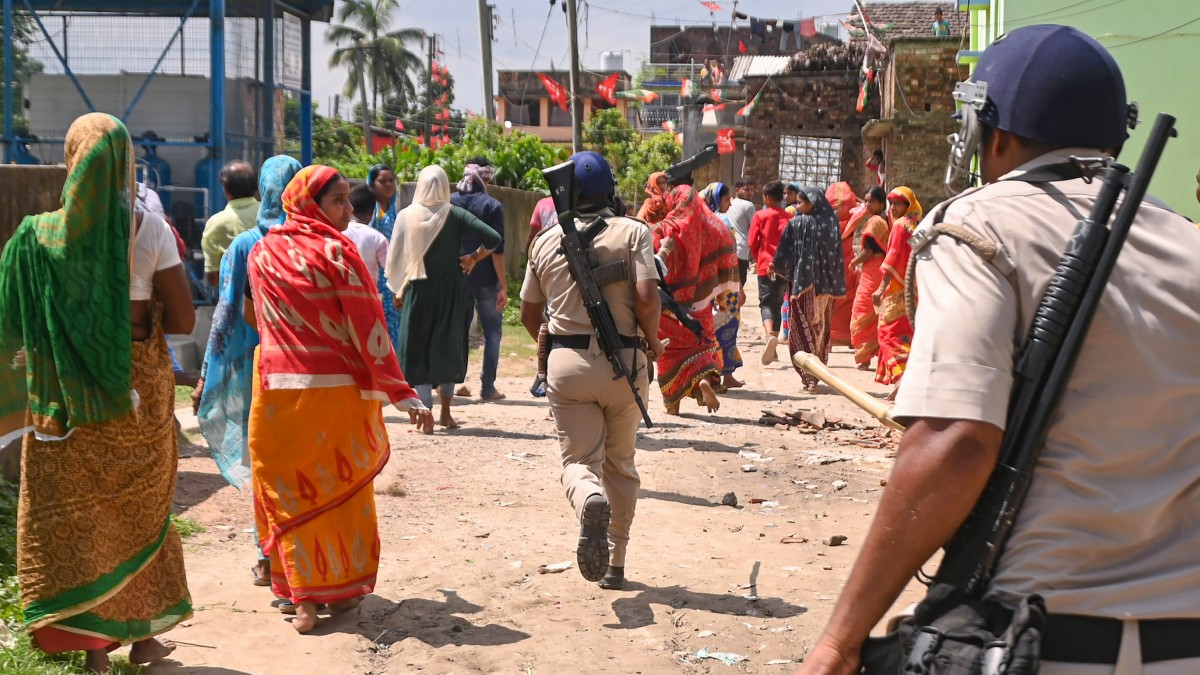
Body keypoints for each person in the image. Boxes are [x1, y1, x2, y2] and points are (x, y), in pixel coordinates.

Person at [798, 25, 1200, 675]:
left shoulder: (975, 225)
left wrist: (839, 639)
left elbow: (958, 440)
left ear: (996, 134)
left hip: (1038, 641)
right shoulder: (1187, 241)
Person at [0, 113, 194, 674]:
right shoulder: (149, 229)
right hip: (137, 396)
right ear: (126, 165)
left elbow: (15, 325)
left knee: (79, 520)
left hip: (65, 400)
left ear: (71, 161)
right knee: (141, 515)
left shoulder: (35, 237)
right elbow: (183, 321)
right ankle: (144, 640)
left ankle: (93, 650)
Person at [244, 165, 434, 634]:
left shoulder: (262, 251)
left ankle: (300, 596)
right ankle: (343, 592)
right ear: (312, 204)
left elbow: (260, 318)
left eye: (349, 199)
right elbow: (368, 326)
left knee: (290, 492)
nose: (349, 209)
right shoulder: (337, 251)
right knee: (340, 492)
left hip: (276, 392)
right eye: (339, 201)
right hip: (334, 394)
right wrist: (400, 391)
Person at [519, 151, 664, 591]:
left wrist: (558, 343)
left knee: (578, 463)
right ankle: (616, 563)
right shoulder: (634, 232)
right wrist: (654, 341)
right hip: (627, 362)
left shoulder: (544, 241)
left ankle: (588, 498)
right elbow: (646, 298)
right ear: (610, 190)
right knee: (621, 463)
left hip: (568, 364)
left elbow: (529, 314)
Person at [194, 155, 302, 587]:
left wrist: (208, 372)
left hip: (256, 367)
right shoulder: (314, 241)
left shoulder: (245, 245)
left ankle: (267, 556)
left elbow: (227, 314)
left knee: (263, 462)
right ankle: (300, 558)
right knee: (300, 460)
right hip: (305, 368)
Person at [385, 165, 502, 429]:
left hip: (418, 290)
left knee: (419, 349)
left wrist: (397, 289)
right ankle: (446, 414)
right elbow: (493, 238)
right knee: (447, 348)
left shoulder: (406, 215)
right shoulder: (455, 213)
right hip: (452, 293)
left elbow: (396, 256)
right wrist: (474, 258)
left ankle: (425, 414)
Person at [653, 185, 740, 415]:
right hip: (700, 303)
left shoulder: (664, 227)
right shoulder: (710, 228)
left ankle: (673, 405)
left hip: (668, 303)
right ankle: (703, 381)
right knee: (704, 346)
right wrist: (722, 296)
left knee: (670, 353)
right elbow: (726, 252)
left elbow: (651, 262)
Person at [770, 186, 846, 392]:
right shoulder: (831, 222)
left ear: (812, 203)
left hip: (803, 286)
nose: (797, 206)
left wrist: (776, 267)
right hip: (827, 288)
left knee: (802, 329)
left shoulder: (797, 223)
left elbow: (784, 253)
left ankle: (809, 377)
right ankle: (817, 373)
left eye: (800, 202)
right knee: (820, 330)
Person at [452, 158, 508, 402]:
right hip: (487, 279)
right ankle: (487, 388)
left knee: (458, 331)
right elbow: (497, 249)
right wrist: (503, 286)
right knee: (492, 332)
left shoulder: (451, 203)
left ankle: (456, 383)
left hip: (458, 277)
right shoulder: (493, 206)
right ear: (485, 179)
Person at [871, 186, 921, 396]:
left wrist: (880, 288)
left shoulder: (900, 226)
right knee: (906, 334)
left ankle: (901, 378)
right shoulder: (917, 225)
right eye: (891, 204)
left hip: (897, 290)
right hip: (914, 290)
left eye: (898, 204)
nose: (892, 208)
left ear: (908, 205)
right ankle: (910, 376)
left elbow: (893, 258)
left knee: (886, 333)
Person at [700, 182, 745, 388]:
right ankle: (717, 377)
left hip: (712, 286)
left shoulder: (704, 222)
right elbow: (729, 258)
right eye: (727, 199)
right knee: (723, 329)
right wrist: (738, 286)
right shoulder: (717, 223)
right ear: (716, 200)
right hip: (723, 287)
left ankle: (724, 376)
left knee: (720, 329)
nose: (730, 203)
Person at [747, 180, 792, 365]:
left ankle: (769, 336)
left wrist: (759, 258)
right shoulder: (789, 217)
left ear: (766, 198)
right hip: (784, 268)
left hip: (766, 265)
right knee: (778, 304)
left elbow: (752, 241)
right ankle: (772, 349)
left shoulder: (760, 215)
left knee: (765, 303)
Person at [847, 187, 890, 370]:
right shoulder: (886, 220)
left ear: (881, 203)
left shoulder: (875, 223)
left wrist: (853, 262)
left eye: (871, 201)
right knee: (878, 312)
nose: (867, 204)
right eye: (865, 201)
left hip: (873, 272)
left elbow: (868, 252)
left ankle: (864, 358)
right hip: (881, 272)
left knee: (862, 311)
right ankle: (880, 357)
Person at [201, 160, 260, 287]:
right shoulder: (272, 214)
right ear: (256, 187)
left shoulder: (216, 223)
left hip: (235, 296)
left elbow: (213, 278)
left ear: (225, 189)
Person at [367, 163, 403, 350]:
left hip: (394, 274)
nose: (388, 185)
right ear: (372, 184)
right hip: (374, 274)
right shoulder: (370, 213)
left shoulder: (396, 212)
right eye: (383, 181)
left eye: (391, 180)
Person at [825, 182, 861, 346]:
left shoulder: (823, 222)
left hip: (828, 268)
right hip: (847, 267)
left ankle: (828, 338)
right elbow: (863, 207)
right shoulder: (852, 220)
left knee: (828, 302)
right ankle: (847, 335)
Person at [346, 182, 390, 281]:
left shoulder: (336, 233)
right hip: (368, 289)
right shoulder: (377, 237)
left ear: (350, 208)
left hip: (340, 289)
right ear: (372, 212)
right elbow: (391, 268)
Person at [727, 178, 757, 284]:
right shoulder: (748, 205)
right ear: (737, 189)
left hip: (727, 250)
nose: (750, 193)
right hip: (741, 251)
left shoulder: (728, 203)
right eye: (746, 190)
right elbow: (755, 227)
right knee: (739, 285)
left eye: (752, 190)